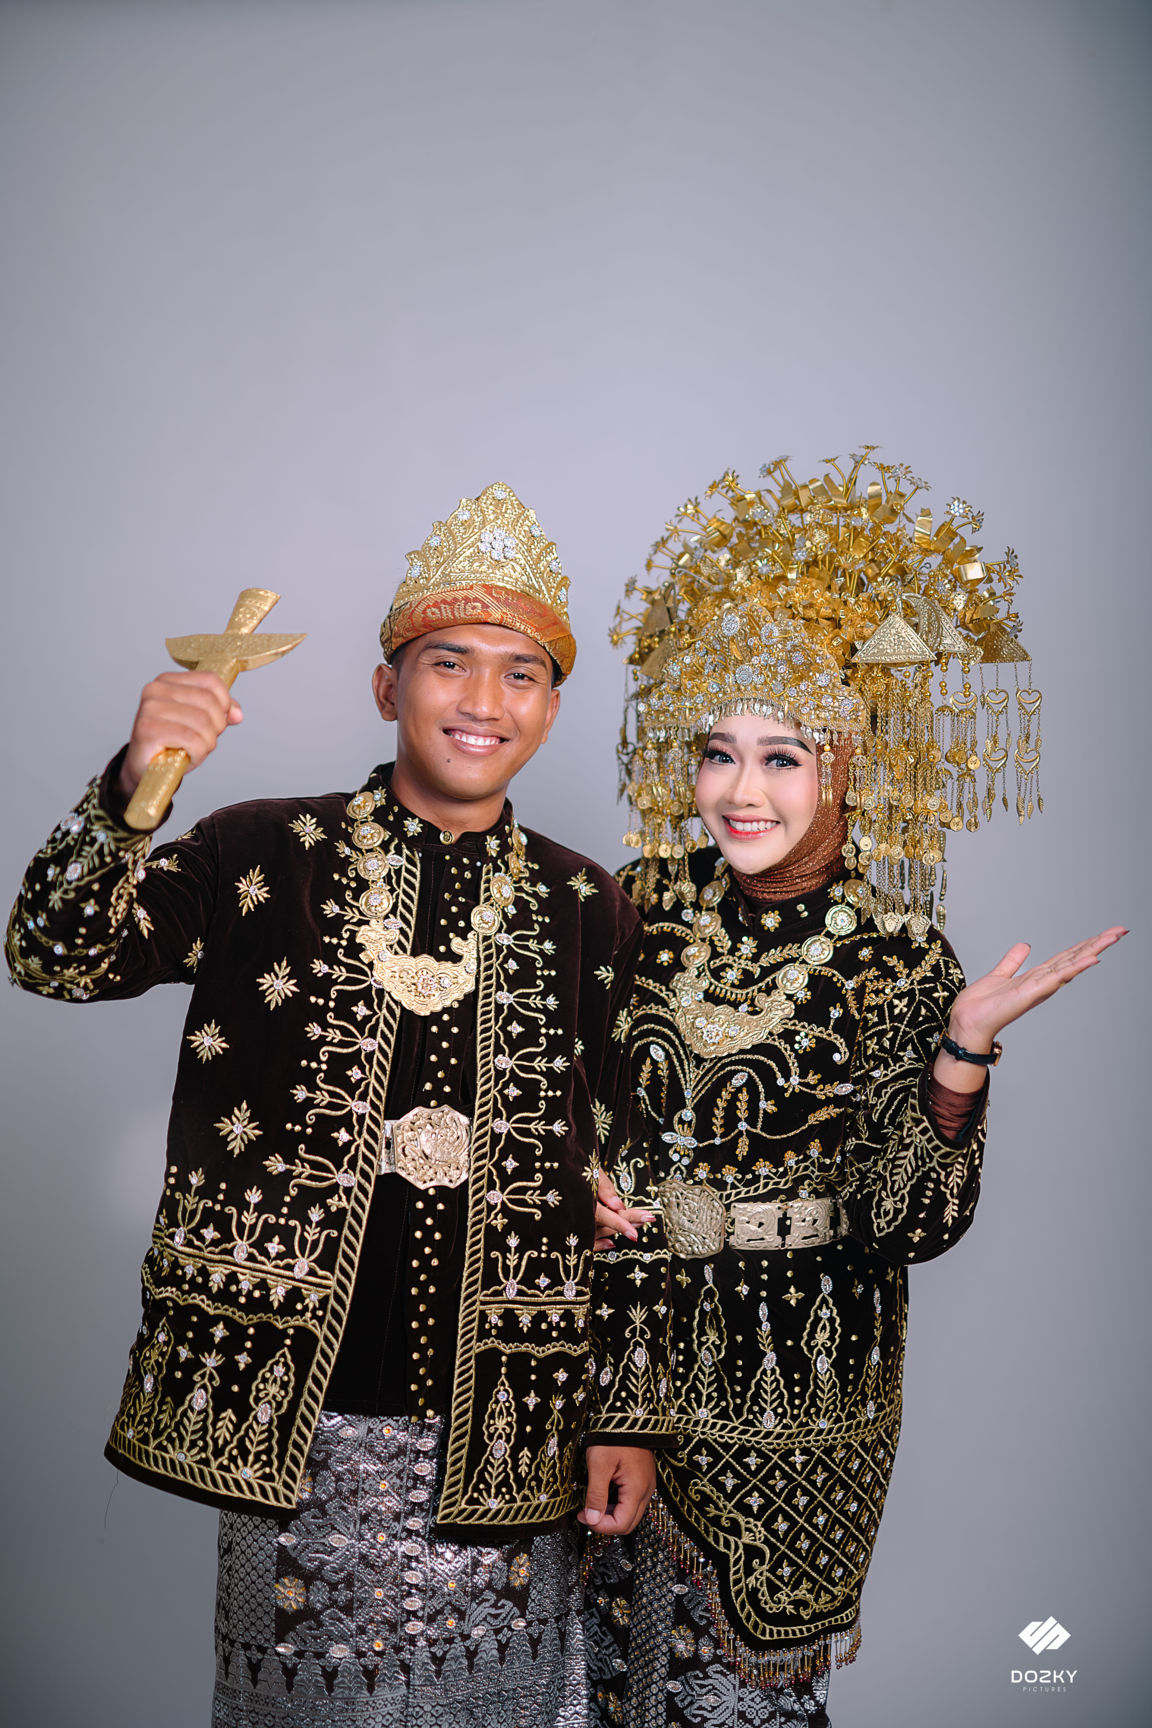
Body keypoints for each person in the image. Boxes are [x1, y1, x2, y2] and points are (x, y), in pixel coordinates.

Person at [6, 481, 674, 1728]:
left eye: (520, 675)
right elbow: (57, 956)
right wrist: (132, 789)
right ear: (386, 687)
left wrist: (626, 1416)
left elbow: (626, 1178)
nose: (483, 702)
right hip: (289, 1409)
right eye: (449, 664)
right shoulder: (257, 850)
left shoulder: (589, 903)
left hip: (510, 1416)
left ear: (550, 709)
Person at [583, 455, 1124, 1727]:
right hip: (610, 1347)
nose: (741, 793)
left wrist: (962, 1054)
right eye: (718, 754)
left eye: (782, 758)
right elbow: (573, 1103)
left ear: (847, 764)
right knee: (585, 1684)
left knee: (732, 1700)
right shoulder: (639, 902)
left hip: (796, 1381)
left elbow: (907, 1221)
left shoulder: (900, 954)